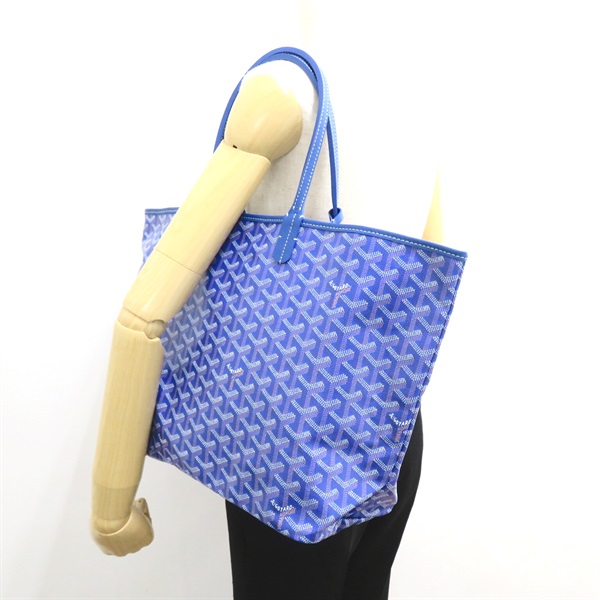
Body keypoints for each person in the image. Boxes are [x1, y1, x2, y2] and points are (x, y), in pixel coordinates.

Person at [91, 52, 441, 599]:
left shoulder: (282, 88)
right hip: (388, 428)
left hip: (290, 437)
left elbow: (143, 314)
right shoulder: (420, 105)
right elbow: (420, 283)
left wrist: (109, 501)